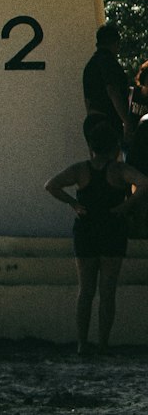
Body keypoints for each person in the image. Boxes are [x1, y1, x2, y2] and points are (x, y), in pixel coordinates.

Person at [44, 115, 148, 355]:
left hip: (87, 228)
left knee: (86, 290)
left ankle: (82, 343)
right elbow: (144, 183)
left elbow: (51, 185)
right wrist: (126, 206)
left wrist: (73, 203)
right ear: (114, 147)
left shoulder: (81, 170)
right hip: (112, 227)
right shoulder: (120, 170)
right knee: (107, 291)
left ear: (91, 146)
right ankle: (103, 343)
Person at [82, 23, 128, 140]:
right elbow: (112, 91)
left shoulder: (90, 66)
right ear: (115, 43)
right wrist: (126, 121)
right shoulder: (109, 63)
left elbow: (87, 100)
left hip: (93, 120)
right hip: (110, 120)